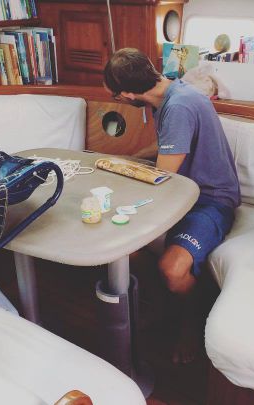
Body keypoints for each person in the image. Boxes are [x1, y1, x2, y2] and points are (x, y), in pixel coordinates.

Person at [103, 48, 240, 364]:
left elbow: (162, 177)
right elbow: (169, 145)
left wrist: (122, 183)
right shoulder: (171, 93)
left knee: (172, 269)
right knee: (123, 249)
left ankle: (191, 323)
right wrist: (128, 158)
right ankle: (162, 303)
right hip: (182, 193)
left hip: (209, 200)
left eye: (115, 95)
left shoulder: (178, 106)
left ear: (127, 94)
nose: (118, 100)